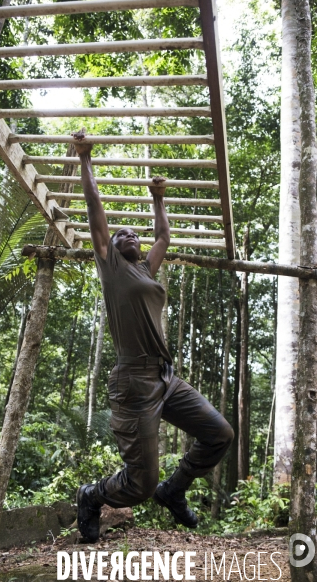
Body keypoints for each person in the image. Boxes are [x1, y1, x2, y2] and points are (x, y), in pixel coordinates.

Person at [72, 132, 234, 542]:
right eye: (120, 233)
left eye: (132, 233)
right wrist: (85, 158)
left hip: (166, 379)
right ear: (110, 245)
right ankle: (92, 495)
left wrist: (158, 198)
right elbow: (95, 210)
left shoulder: (145, 269)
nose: (127, 234)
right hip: (133, 383)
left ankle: (174, 491)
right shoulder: (111, 266)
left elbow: (163, 237)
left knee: (220, 434)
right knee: (138, 486)